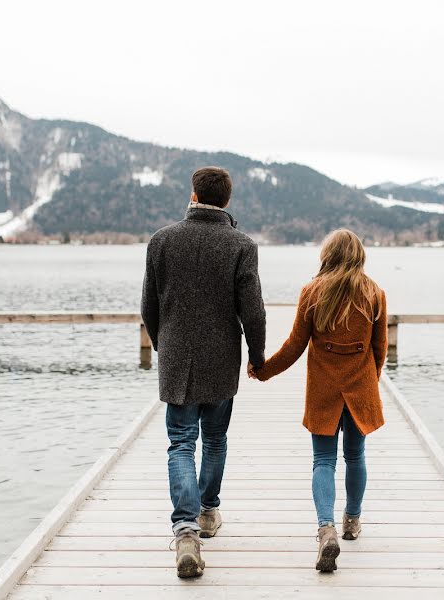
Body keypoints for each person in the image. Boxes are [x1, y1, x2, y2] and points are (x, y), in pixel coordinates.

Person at [141, 166, 266, 578]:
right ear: (227, 201)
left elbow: (148, 308)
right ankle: (208, 512)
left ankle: (185, 531)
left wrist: (165, 346)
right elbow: (253, 311)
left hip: (177, 356)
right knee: (214, 438)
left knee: (180, 442)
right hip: (221, 358)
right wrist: (257, 355)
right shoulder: (241, 245)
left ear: (193, 195)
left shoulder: (161, 241)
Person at [250, 229, 387, 572]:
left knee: (323, 461)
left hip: (324, 389)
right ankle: (352, 521)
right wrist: (369, 382)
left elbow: (295, 346)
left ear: (327, 255)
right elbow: (379, 351)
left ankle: (326, 527)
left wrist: (264, 370)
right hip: (360, 388)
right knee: (355, 457)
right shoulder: (375, 294)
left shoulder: (313, 292)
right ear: (359, 256)